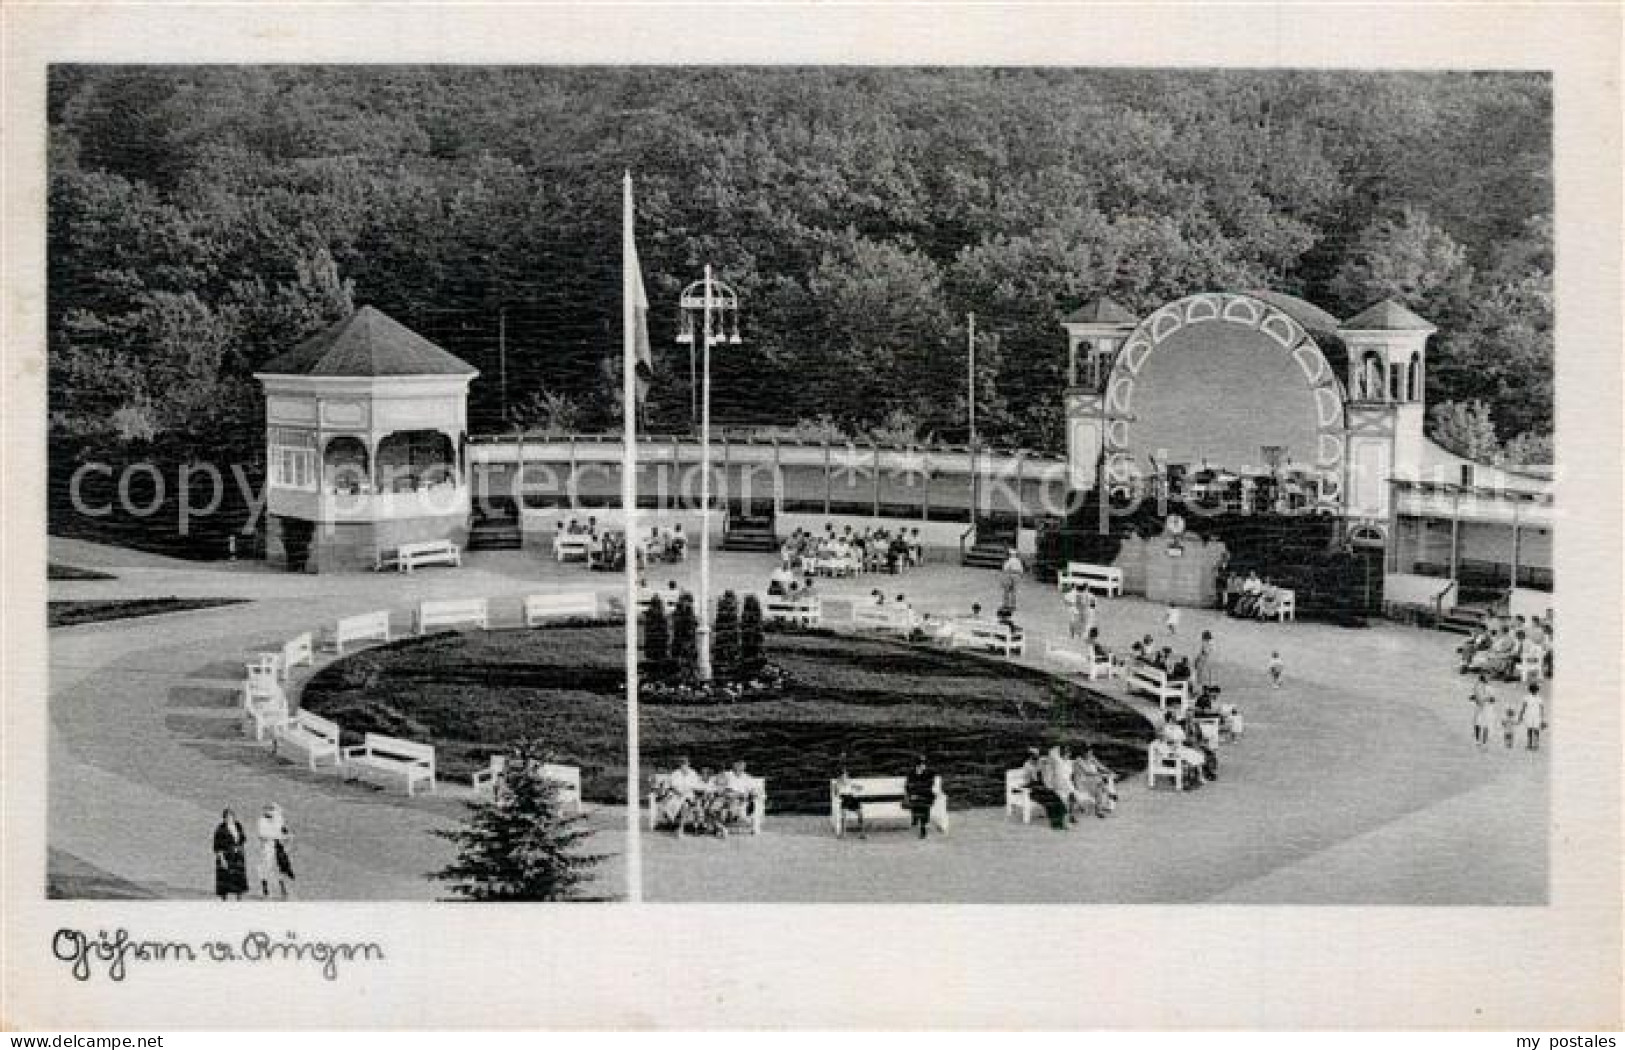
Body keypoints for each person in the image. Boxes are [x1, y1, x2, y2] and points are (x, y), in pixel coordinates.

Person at [255, 803, 293, 900]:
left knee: (280, 868)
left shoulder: (278, 818)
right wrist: (279, 836)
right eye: (270, 811)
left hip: (278, 846)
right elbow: (261, 835)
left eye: (273, 811)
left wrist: (287, 834)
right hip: (266, 847)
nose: (272, 813)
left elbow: (283, 829)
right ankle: (266, 891)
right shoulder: (261, 821)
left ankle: (283, 890)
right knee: (265, 868)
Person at [1070, 747, 1118, 817]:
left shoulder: (1091, 758)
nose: (1090, 755)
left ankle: (1100, 808)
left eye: (1091, 753)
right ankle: (1108, 795)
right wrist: (1101, 774)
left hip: (1089, 780)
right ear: (1083, 753)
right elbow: (1087, 772)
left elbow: (1100, 766)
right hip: (1081, 781)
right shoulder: (1078, 760)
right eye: (1088, 753)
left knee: (1101, 784)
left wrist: (1110, 771)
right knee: (1100, 783)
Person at [213, 809, 248, 901]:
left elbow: (243, 839)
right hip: (226, 856)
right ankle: (224, 900)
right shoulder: (220, 829)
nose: (229, 819)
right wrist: (222, 859)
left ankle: (239, 899)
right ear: (224, 818)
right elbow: (217, 846)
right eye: (227, 817)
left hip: (238, 856)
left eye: (231, 817)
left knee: (238, 878)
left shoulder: (238, 826)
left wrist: (240, 849)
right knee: (225, 878)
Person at [1034, 745, 1073, 829]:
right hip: (1041, 789)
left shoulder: (1052, 761)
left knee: (1058, 800)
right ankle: (1059, 823)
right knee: (1056, 801)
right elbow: (1037, 775)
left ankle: (1060, 823)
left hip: (1050, 787)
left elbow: (1054, 775)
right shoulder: (1043, 761)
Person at [903, 756, 938, 840]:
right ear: (916, 765)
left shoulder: (930, 773)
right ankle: (920, 822)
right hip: (915, 795)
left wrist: (916, 788)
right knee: (918, 803)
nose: (921, 766)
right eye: (919, 764)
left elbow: (929, 785)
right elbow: (907, 786)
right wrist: (913, 792)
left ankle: (922, 825)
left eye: (923, 764)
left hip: (926, 795)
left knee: (922, 803)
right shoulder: (911, 773)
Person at [833, 768, 867, 838]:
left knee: (860, 814)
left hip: (852, 797)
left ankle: (862, 833)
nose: (845, 777)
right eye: (843, 775)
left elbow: (859, 788)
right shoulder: (837, 783)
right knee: (844, 814)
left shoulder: (850, 782)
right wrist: (839, 785)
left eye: (846, 775)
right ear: (840, 776)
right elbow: (836, 793)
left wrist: (857, 787)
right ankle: (843, 833)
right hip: (844, 798)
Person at [1469, 675, 1496, 750]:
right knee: (1485, 725)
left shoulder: (1476, 687)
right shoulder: (1489, 688)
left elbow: (1473, 697)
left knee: (1478, 723)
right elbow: (1493, 699)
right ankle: (1483, 742)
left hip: (1480, 707)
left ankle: (1478, 740)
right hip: (1486, 708)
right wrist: (1487, 699)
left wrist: (1476, 698)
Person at [1518, 682, 1546, 751]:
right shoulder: (1539, 698)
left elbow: (1523, 708)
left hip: (1530, 715)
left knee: (1530, 730)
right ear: (1537, 690)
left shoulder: (1527, 697)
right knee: (1535, 730)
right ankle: (1535, 745)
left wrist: (1520, 716)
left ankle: (1530, 744)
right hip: (1536, 716)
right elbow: (1542, 709)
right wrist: (1542, 718)